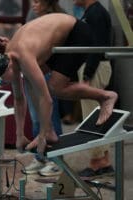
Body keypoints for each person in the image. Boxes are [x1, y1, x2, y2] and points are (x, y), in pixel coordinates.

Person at [0, 13, 118, 156]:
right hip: (59, 37)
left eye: (1, 80)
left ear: (7, 67)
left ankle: (105, 97)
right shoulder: (9, 59)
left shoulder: (23, 56)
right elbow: (19, 99)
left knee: (54, 88)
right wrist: (19, 135)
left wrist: (41, 137)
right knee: (30, 85)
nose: (3, 83)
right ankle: (50, 131)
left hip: (76, 32)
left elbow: (47, 100)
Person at [21, 0, 64, 176]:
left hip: (46, 71)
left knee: (50, 118)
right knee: (36, 119)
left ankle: (56, 161)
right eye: (33, 1)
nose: (33, 4)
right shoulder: (32, 17)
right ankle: (40, 157)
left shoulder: (57, 20)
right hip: (31, 72)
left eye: (38, 1)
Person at [73, 0, 115, 177]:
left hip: (95, 68)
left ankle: (98, 162)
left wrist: (87, 76)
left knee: (93, 115)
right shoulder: (92, 12)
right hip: (95, 66)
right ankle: (103, 159)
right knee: (98, 114)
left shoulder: (96, 14)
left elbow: (95, 48)